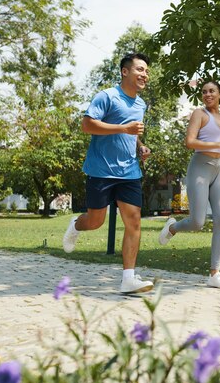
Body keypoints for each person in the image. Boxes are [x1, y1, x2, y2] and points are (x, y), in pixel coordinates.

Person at [62, 53, 154, 294]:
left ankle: (128, 278)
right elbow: (87, 125)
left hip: (129, 171)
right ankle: (76, 225)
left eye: (146, 71)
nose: (145, 74)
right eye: (140, 69)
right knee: (95, 221)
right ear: (125, 71)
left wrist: (140, 146)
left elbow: (132, 133)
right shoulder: (107, 96)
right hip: (101, 169)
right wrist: (124, 127)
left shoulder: (141, 104)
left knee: (133, 221)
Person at [158, 80, 220, 289]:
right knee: (197, 222)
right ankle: (173, 227)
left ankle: (215, 273)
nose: (207, 94)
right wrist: (219, 145)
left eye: (212, 91)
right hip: (200, 168)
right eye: (204, 92)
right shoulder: (199, 114)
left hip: (219, 170)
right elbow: (190, 142)